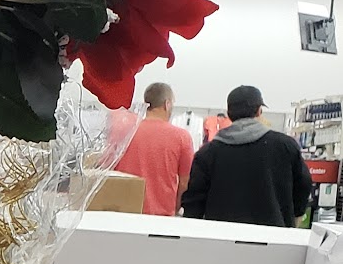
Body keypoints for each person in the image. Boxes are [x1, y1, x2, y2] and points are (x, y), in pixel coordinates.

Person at [182, 85, 313, 228]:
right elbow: (304, 185)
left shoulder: (207, 153)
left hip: (221, 236)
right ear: (259, 111)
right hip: (273, 236)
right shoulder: (285, 146)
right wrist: (292, 219)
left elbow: (193, 203)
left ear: (229, 114)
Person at [119, 81, 194, 217]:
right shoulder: (182, 137)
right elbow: (184, 182)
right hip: (161, 215)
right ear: (167, 104)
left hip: (125, 211)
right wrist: (176, 208)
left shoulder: (125, 132)